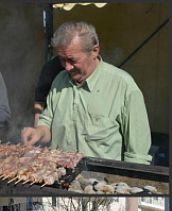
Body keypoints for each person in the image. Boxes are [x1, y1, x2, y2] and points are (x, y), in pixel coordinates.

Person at [22, 21, 152, 164]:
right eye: (62, 60)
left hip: (100, 182)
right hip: (57, 176)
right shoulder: (59, 80)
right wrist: (38, 132)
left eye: (72, 60)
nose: (67, 67)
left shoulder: (124, 86)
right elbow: (47, 122)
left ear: (94, 51)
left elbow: (137, 155)